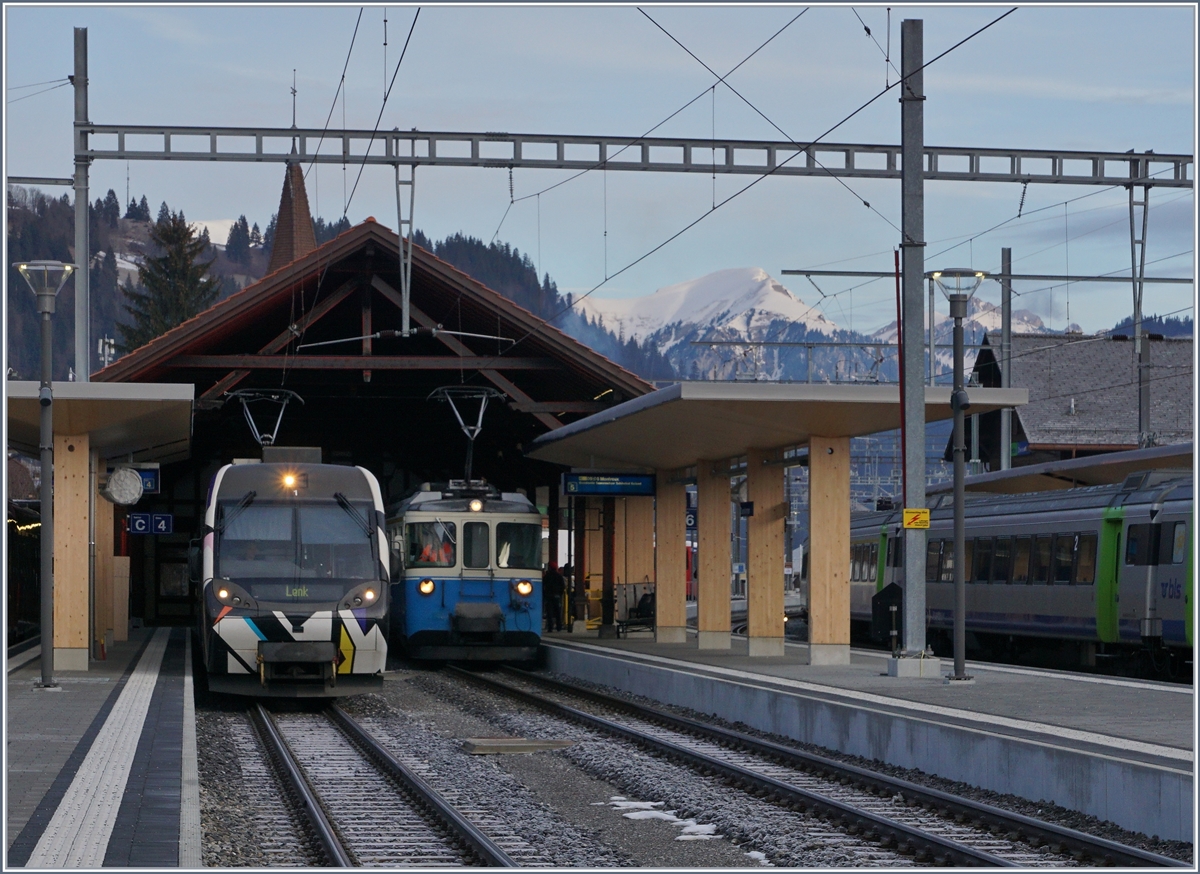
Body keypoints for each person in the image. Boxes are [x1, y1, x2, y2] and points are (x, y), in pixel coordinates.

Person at [542, 561, 565, 632]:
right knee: (558, 612)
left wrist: (545, 594)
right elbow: (563, 586)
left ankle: (550, 628)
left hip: (549, 596)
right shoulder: (559, 576)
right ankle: (559, 627)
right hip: (557, 596)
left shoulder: (547, 576)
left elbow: (543, 585)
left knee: (549, 612)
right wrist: (560, 594)